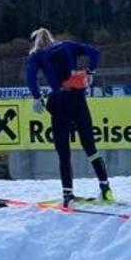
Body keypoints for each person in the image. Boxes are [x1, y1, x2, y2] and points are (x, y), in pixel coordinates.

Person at [24, 27, 113, 205]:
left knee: (63, 152)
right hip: (78, 99)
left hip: (59, 101)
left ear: (35, 41)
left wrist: (37, 97)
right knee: (90, 147)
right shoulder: (67, 45)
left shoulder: (37, 54)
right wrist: (90, 72)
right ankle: (105, 188)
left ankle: (67, 194)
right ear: (51, 36)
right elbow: (94, 52)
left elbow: (30, 77)